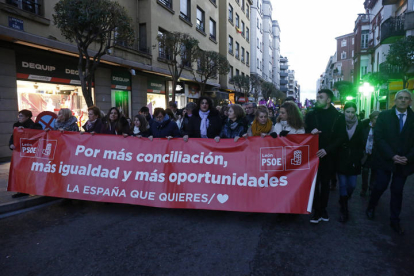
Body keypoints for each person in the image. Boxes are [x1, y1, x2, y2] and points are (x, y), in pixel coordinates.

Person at [366, 89, 414, 235]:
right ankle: (371, 206)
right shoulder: (384, 116)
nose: (403, 100)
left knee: (397, 191)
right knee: (380, 186)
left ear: (410, 101)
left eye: (406, 98)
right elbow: (379, 138)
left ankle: (395, 220)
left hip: (405, 162)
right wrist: (392, 155)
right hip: (385, 160)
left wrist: (409, 157)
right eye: (400, 98)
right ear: (395, 100)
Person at [305, 89, 341, 224]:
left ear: (328, 100)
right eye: (317, 96)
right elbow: (304, 132)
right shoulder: (311, 115)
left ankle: (323, 209)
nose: (318, 99)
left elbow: (340, 137)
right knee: (314, 184)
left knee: (325, 184)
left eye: (321, 97)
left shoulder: (338, 117)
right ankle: (316, 210)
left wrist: (327, 150)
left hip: (329, 156)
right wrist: (310, 132)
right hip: (312, 155)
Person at [332, 102, 364, 223]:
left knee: (352, 185)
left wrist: (359, 156)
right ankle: (344, 209)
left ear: (355, 112)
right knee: (343, 184)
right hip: (341, 158)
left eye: (352, 112)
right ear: (344, 112)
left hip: (354, 159)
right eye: (348, 112)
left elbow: (361, 142)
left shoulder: (360, 124)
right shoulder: (339, 123)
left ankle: (345, 197)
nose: (350, 115)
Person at [9, 109, 42, 198]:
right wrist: (11, 144)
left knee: (31, 172)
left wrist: (25, 130)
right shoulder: (16, 125)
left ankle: (34, 188)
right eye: (19, 116)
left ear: (27, 117)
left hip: (31, 154)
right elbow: (13, 137)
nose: (19, 118)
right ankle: (22, 190)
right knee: (20, 172)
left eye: (21, 116)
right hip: (20, 154)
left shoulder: (35, 126)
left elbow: (38, 134)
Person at [360, 111, 380, 197]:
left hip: (375, 153)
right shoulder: (364, 126)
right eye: (375, 118)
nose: (377, 120)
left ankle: (372, 188)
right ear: (371, 118)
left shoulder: (380, 128)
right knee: (365, 171)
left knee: (374, 172)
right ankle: (364, 188)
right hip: (365, 153)